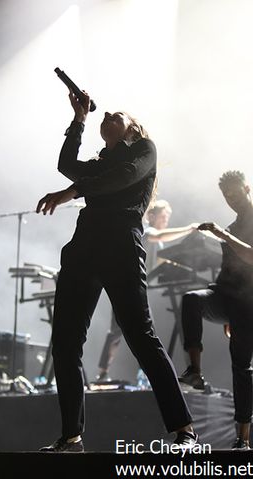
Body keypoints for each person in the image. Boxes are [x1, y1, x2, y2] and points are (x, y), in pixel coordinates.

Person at [36, 90, 198, 452]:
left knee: (141, 336)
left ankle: (185, 429)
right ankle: (71, 436)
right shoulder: (97, 163)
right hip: (83, 249)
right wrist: (79, 121)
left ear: (133, 129)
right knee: (64, 343)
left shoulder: (144, 150)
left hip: (121, 246)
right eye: (104, 114)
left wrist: (72, 191)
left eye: (117, 113)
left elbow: (122, 178)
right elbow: (66, 163)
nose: (107, 112)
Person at [179, 170, 253, 450]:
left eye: (235, 193)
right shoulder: (233, 227)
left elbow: (250, 257)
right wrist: (224, 310)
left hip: (249, 303)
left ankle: (242, 439)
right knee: (191, 299)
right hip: (227, 297)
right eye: (226, 196)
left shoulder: (236, 228)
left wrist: (220, 234)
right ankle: (195, 371)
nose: (231, 200)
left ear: (247, 188)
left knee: (242, 366)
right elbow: (229, 271)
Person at [96, 199, 199, 383]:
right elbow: (159, 236)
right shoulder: (146, 231)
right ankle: (107, 373)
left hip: (135, 287)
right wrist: (188, 229)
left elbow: (161, 263)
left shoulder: (156, 243)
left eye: (168, 217)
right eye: (163, 216)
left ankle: (140, 373)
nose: (166, 220)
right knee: (123, 331)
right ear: (151, 216)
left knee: (135, 330)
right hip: (124, 283)